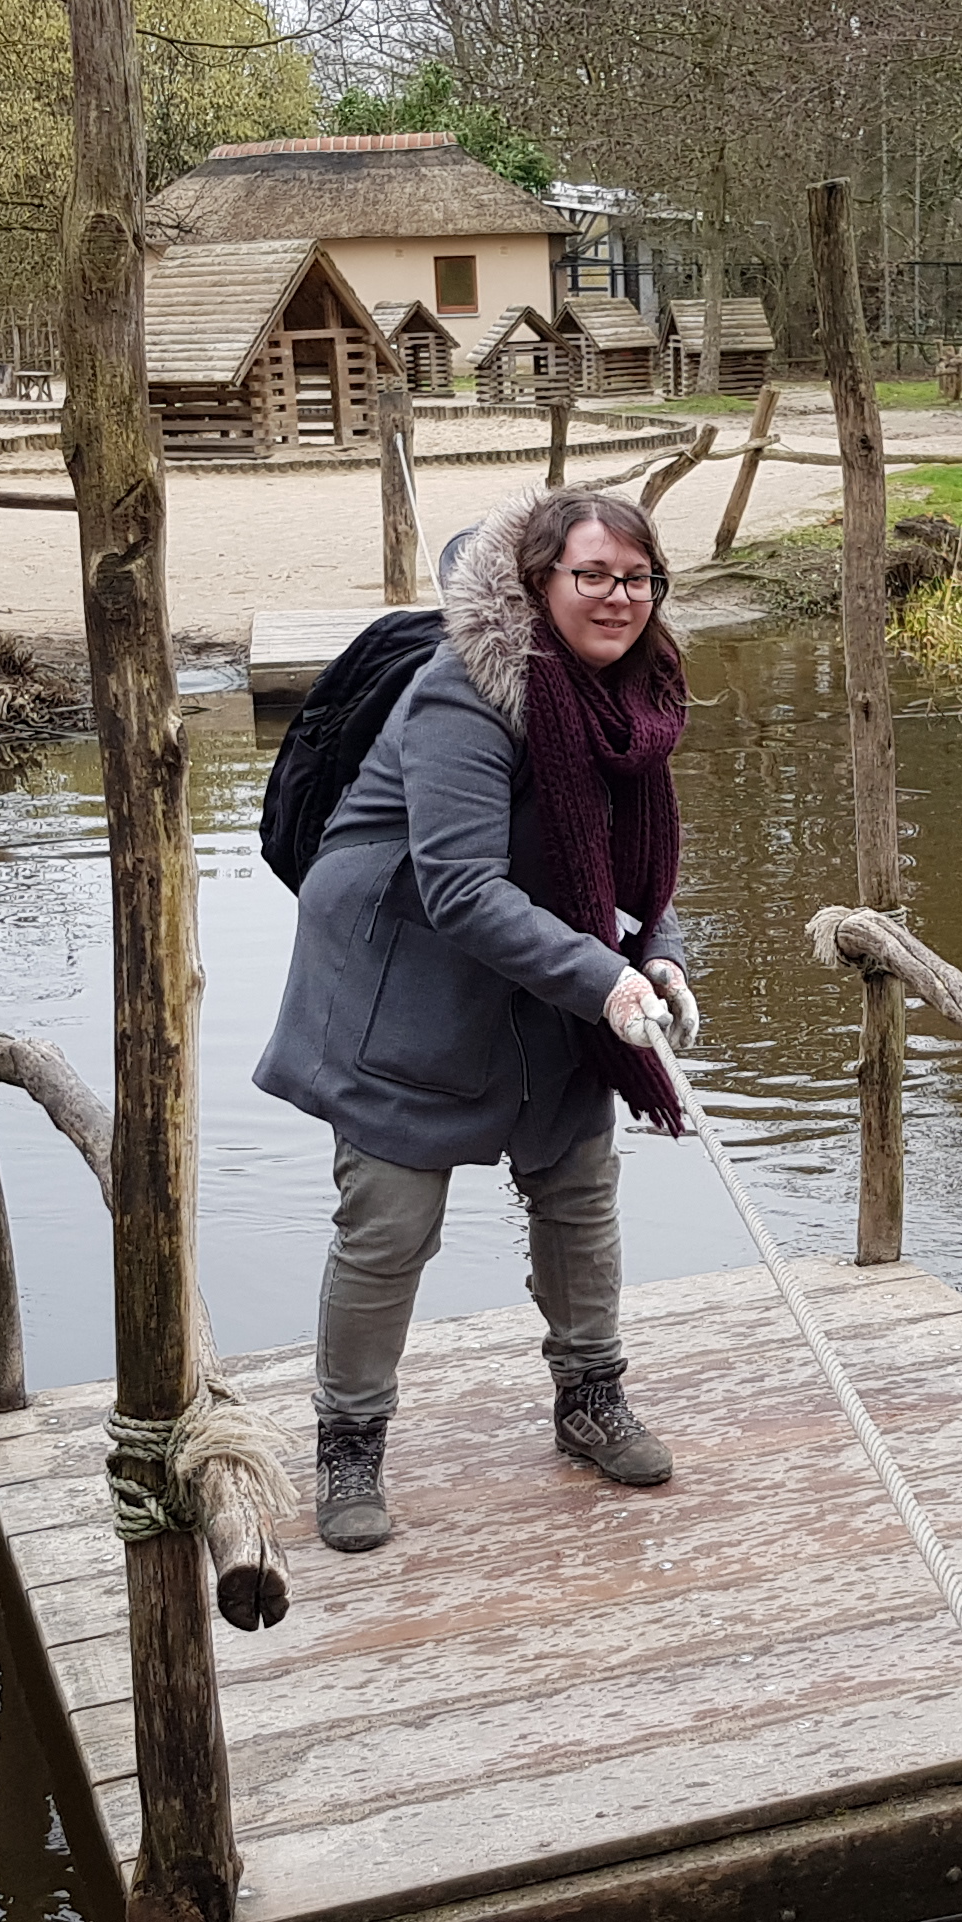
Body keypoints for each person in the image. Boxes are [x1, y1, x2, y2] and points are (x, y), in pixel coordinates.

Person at [254, 488, 703, 1553]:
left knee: (579, 1183)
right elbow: (457, 884)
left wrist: (664, 957)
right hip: (403, 985)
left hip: (553, 970)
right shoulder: (463, 691)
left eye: (636, 577)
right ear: (538, 583)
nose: (617, 597)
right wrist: (603, 977)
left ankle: (590, 1397)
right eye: (590, 575)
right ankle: (349, 1445)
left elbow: (639, 867)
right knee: (390, 1226)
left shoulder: (636, 697)